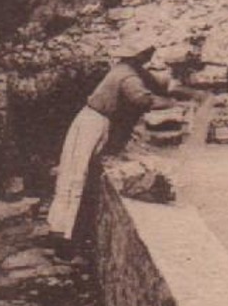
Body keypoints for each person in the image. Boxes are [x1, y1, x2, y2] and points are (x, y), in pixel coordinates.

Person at [46, 42, 179, 244]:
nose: (149, 57)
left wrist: (169, 85)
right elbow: (141, 99)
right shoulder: (127, 75)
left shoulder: (125, 68)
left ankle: (65, 231)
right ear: (140, 55)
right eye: (147, 53)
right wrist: (173, 102)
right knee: (75, 173)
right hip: (92, 122)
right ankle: (63, 235)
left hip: (95, 120)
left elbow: (153, 83)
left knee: (75, 172)